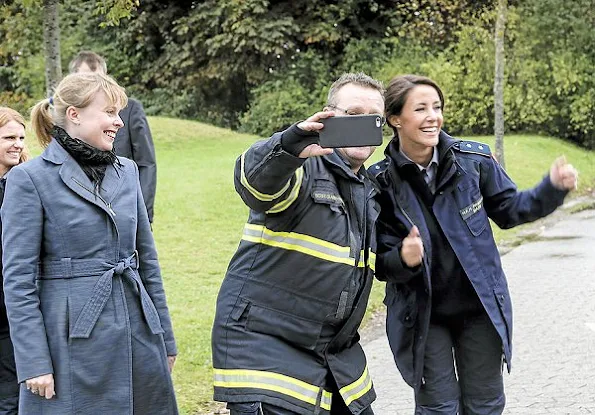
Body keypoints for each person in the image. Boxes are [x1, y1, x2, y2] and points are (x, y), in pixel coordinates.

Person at [371, 74, 578, 414]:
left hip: (478, 308)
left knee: (484, 405)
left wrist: (551, 188)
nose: (433, 116)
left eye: (436, 107)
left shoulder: (472, 162)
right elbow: (377, 261)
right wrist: (403, 258)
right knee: (439, 408)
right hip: (423, 314)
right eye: (420, 109)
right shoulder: (379, 183)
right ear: (395, 119)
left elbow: (512, 210)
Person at [1, 72, 177, 414]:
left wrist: (164, 338)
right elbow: (17, 281)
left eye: (118, 113)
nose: (118, 122)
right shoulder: (29, 179)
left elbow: (148, 261)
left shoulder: (127, 171)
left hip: (136, 329)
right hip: (68, 338)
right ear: (75, 114)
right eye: (109, 112)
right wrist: (34, 360)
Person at [212, 72, 384, 415]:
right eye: (353, 114)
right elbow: (254, 183)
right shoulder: (301, 167)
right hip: (268, 359)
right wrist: (290, 145)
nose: (364, 123)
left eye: (373, 117)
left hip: (334, 360)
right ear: (327, 116)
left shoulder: (369, 191)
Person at [69, 50, 157, 224]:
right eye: (86, 80)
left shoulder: (130, 110)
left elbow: (146, 164)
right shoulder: (67, 118)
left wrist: (142, 216)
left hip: (123, 209)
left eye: (98, 79)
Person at [0, 107, 29, 415]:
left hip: (14, 308)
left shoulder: (28, 183)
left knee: (13, 394)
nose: (18, 144)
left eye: (21, 137)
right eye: (9, 137)